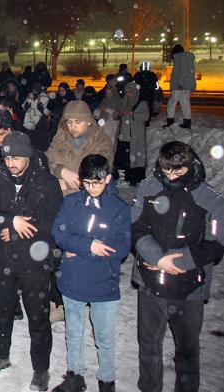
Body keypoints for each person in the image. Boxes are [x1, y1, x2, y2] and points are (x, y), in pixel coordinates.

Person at [131, 141, 224, 392]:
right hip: (150, 282)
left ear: (190, 165)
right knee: (148, 347)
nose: (171, 176)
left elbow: (217, 243)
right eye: (166, 171)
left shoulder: (210, 198)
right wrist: (156, 257)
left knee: (187, 352)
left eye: (178, 171)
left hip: (189, 288)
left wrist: (180, 261)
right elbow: (136, 226)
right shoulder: (149, 187)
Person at [0, 131, 64, 392]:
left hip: (34, 261)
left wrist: (15, 230)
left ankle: (41, 369)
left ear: (27, 156)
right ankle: (0, 355)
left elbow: (54, 222)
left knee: (38, 318)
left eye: (16, 158)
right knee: (2, 311)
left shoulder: (46, 183)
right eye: (7, 158)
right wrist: (9, 220)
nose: (11, 163)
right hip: (3, 259)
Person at [51, 155, 131, 392]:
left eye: (97, 183)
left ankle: (107, 379)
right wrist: (89, 245)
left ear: (108, 179)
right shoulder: (72, 203)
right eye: (87, 183)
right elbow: (59, 233)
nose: (92, 188)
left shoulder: (119, 208)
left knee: (104, 337)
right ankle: (75, 374)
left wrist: (80, 250)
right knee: (74, 332)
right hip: (73, 278)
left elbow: (121, 246)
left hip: (104, 282)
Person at [47, 101, 114, 197]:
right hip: (58, 197)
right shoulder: (60, 139)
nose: (73, 127)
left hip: (87, 199)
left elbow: (100, 173)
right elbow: (46, 161)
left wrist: (65, 184)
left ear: (89, 121)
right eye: (69, 122)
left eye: (78, 122)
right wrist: (61, 171)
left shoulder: (102, 141)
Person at [114, 82, 148, 186]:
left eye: (130, 92)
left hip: (135, 137)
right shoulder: (124, 102)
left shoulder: (141, 103)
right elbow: (115, 115)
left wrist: (133, 114)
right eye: (127, 92)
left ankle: (134, 179)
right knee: (122, 159)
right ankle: (123, 178)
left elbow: (146, 116)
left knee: (134, 159)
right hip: (123, 136)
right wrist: (120, 113)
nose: (128, 94)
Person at [165, 44, 195, 129]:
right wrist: (192, 85)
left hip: (178, 85)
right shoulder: (188, 58)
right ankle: (187, 122)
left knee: (172, 102)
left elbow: (183, 71)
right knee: (185, 103)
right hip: (186, 85)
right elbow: (191, 72)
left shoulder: (179, 58)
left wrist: (180, 83)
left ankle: (170, 121)